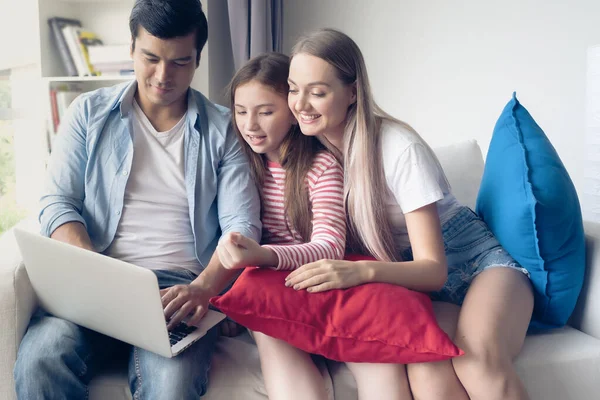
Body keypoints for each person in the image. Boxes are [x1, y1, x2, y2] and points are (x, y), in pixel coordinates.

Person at [13, 0, 261, 399]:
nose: (163, 76)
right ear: (131, 48)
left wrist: (204, 286)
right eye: (150, 58)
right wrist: (96, 272)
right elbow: (58, 204)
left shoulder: (223, 129)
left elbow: (242, 226)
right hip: (95, 276)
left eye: (180, 62)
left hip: (180, 289)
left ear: (197, 60)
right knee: (41, 358)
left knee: (171, 385)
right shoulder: (88, 113)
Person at [284, 28, 534, 400]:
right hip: (421, 289)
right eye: (293, 88)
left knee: (476, 360)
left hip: (477, 264)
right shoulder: (314, 158)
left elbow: (433, 268)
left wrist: (359, 271)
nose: (301, 104)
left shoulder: (399, 148)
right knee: (427, 366)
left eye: (317, 92)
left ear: (353, 93)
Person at [215, 52, 346, 400]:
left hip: (313, 279)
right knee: (267, 326)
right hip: (266, 285)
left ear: (292, 110)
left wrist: (263, 255)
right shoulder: (240, 165)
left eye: (265, 112)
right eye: (241, 112)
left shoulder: (320, 167)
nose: (250, 125)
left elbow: (331, 246)